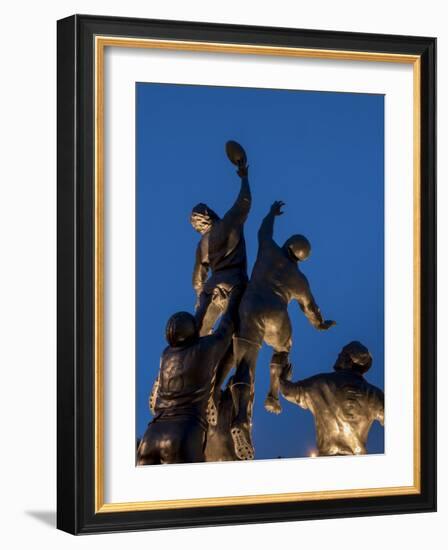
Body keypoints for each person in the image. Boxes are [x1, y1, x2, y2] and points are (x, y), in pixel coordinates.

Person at [230, 200, 335, 460]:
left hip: (252, 305)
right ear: (301, 258)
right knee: (283, 348)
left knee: (244, 363)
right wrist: (320, 324)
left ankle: (240, 411)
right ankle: (273, 394)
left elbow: (262, 231)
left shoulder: (268, 249)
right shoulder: (300, 280)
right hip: (277, 316)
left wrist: (271, 214)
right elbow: (311, 308)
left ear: (288, 244)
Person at [136, 292, 240, 465]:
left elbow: (194, 328)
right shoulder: (205, 348)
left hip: (151, 435)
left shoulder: (166, 354)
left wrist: (205, 301)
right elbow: (226, 327)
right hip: (183, 432)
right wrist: (234, 297)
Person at [279, 341, 384, 456]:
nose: (338, 355)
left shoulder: (320, 384)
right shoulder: (374, 394)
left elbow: (288, 391)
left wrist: (283, 378)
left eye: (342, 353)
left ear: (347, 360)